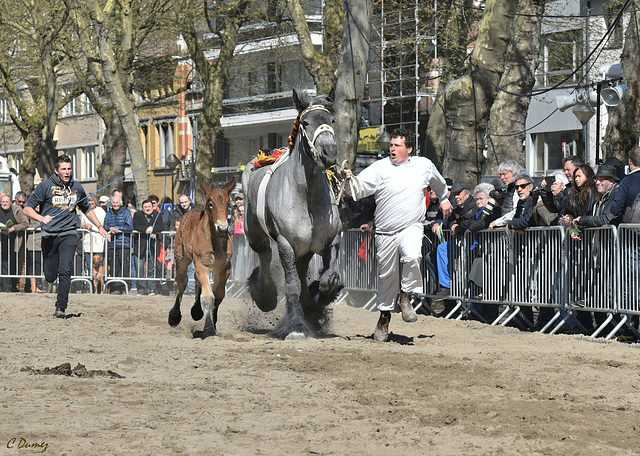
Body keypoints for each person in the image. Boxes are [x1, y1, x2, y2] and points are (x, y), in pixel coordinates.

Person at [343, 128, 451, 341]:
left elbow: (439, 183)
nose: (392, 148)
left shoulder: (424, 165)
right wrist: (348, 179)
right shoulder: (379, 167)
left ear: (409, 149)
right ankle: (384, 317)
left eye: (397, 145)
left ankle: (406, 297)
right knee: (387, 276)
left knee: (412, 256)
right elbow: (359, 189)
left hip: (411, 226)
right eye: (391, 145)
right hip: (384, 231)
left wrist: (445, 199)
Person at [24, 155, 108, 317]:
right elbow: (28, 208)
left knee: (65, 270)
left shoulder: (77, 187)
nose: (67, 172)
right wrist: (41, 218)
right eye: (63, 169)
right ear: (57, 171)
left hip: (69, 233)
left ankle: (61, 307)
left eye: (69, 169)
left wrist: (100, 226)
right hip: (49, 235)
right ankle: (50, 277)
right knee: (50, 275)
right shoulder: (45, 186)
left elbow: (87, 209)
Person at [431, 182, 477, 302]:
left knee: (471, 275)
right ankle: (445, 286)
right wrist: (453, 224)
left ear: (466, 194)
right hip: (460, 244)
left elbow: (468, 223)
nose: (456, 197)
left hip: (474, 245)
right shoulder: (457, 207)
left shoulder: (473, 205)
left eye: (459, 194)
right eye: (455, 194)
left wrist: (457, 227)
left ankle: (473, 307)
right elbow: (450, 220)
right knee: (442, 248)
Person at [103, 193, 133, 294]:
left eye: (117, 203)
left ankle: (125, 287)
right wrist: (109, 228)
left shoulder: (126, 213)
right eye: (113, 203)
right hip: (112, 244)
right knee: (114, 266)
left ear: (121, 203)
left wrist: (118, 229)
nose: (115, 204)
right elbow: (105, 225)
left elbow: (130, 227)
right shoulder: (109, 213)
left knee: (125, 266)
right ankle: (116, 288)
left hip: (124, 243)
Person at [133, 199, 163, 295]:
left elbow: (161, 226)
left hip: (153, 245)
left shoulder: (157, 215)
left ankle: (151, 288)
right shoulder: (138, 215)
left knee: (151, 268)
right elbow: (135, 226)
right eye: (145, 207)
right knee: (140, 268)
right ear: (142, 208)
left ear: (152, 207)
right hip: (140, 245)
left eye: (149, 207)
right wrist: (146, 229)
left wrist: (153, 230)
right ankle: (141, 289)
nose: (147, 209)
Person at [0, 192, 29, 291]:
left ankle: (8, 287)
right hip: (1, 241)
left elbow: (25, 223)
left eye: (7, 202)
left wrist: (15, 228)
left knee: (10, 264)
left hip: (13, 242)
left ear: (11, 202)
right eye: (3, 202)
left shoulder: (17, 210)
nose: (4, 204)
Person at [80, 196, 107, 293]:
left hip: (99, 241)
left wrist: (92, 228)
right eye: (89, 202)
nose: (91, 204)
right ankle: (92, 288)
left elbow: (103, 225)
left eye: (92, 202)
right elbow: (80, 223)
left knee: (100, 266)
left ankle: (101, 288)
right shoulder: (84, 212)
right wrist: (83, 225)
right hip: (88, 242)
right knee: (89, 266)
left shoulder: (100, 211)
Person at [489, 160, 524, 229]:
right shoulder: (509, 189)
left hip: (514, 230)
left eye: (504, 174)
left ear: (514, 174)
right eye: (500, 175)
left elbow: (515, 211)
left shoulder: (518, 189)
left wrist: (497, 222)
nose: (502, 178)